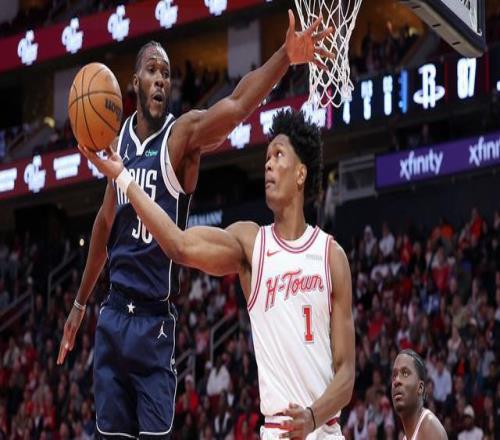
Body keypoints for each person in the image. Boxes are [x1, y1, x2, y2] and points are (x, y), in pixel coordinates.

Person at [57, 11, 333, 438]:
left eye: (166, 74)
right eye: (152, 70)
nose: (161, 80)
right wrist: (79, 305)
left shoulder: (181, 136)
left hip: (153, 320)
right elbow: (104, 225)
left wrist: (285, 56)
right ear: (134, 82)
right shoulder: (118, 142)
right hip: (112, 314)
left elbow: (237, 105)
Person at [81, 109, 355, 439]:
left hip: (324, 429)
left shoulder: (331, 256)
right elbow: (179, 244)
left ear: (300, 174)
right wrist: (125, 179)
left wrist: (311, 418)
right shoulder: (251, 244)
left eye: (278, 155)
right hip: (277, 430)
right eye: (267, 157)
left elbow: (346, 375)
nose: (268, 164)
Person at [391, 349, 447, 440]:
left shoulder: (429, 426)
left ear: (420, 387)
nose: (396, 381)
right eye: (394, 375)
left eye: (405, 373)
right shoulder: (406, 438)